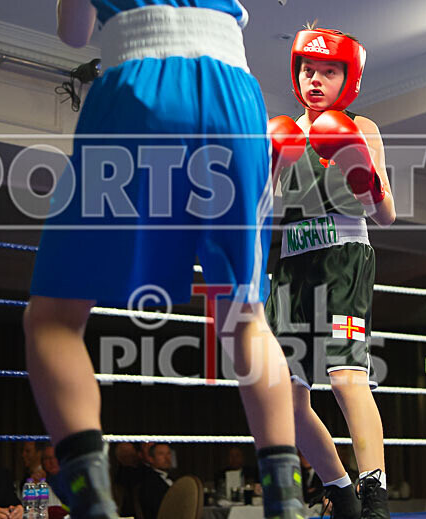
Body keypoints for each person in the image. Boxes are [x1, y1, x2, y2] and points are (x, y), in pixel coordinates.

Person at [24, 2, 303, 519]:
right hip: (235, 96)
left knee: (54, 318)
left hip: (136, 81)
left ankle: (94, 506)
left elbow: (73, 32)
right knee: (246, 317)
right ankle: (286, 506)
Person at [265, 26, 396, 519]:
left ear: (349, 78)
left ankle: (375, 496)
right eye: (307, 69)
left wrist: (363, 176)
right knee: (288, 399)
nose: (315, 79)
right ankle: (339, 490)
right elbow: (259, 208)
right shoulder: (284, 132)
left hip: (344, 258)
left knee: (344, 378)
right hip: (294, 269)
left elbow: (385, 216)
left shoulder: (361, 128)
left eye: (328, 71)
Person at [138, 443, 173, 519]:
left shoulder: (175, 479)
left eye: (168, 453)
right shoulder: (148, 483)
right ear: (151, 459)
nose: (167, 458)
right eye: (161, 454)